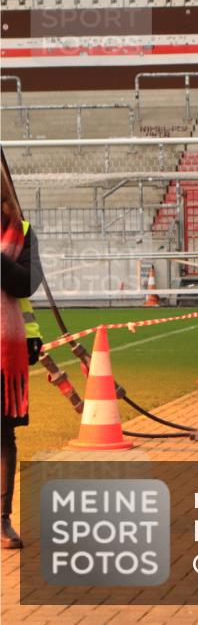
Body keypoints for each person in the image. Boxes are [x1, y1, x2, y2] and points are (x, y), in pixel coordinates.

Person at [0, 149, 42, 550]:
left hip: (5, 353)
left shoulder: (22, 231)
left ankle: (3, 519)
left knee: (3, 436)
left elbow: (26, 286)